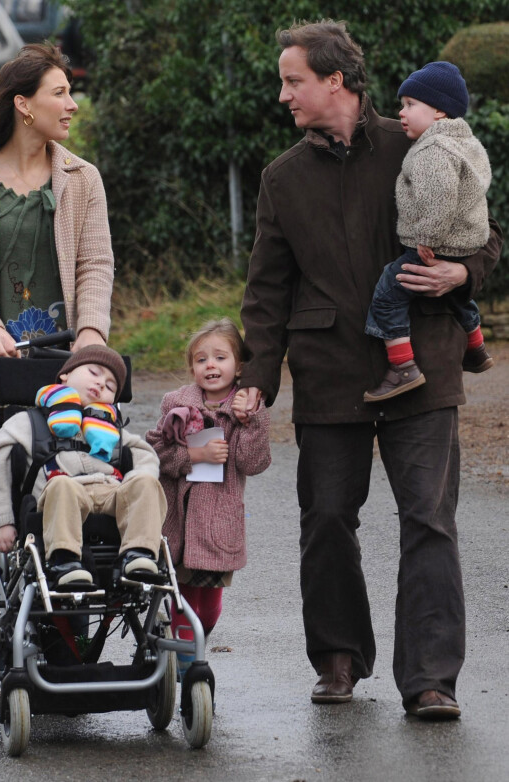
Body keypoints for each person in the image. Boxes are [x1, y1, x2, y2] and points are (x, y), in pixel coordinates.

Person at [238, 20, 502, 720]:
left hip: (425, 366)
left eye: (293, 80)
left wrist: (460, 272)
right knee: (326, 518)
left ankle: (431, 680)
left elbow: (483, 234)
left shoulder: (420, 142)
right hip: (328, 373)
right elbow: (266, 292)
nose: (284, 93)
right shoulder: (281, 179)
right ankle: (338, 659)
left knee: (429, 521)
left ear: (336, 80)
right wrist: (255, 382)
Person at [0, 43, 115, 507]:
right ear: (23, 105)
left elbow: (96, 263)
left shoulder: (83, 177)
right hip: (0, 355)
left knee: (77, 469)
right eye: (59, 93)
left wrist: (92, 332)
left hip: (68, 352)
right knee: (9, 485)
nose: (72, 104)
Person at [0, 345, 167, 586]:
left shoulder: (110, 429)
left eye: (110, 386)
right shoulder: (29, 423)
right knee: (62, 485)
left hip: (110, 493)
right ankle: (65, 560)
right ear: (65, 375)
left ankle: (139, 553)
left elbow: (146, 456)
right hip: (60, 494)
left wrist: (136, 479)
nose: (101, 384)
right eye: (93, 372)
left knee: (146, 482)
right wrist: (3, 521)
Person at [146, 318, 271, 677]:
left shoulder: (243, 411)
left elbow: (253, 461)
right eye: (201, 360)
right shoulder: (176, 405)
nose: (211, 365)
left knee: (210, 607)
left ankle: (191, 647)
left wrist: (253, 421)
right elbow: (154, 453)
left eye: (220, 357)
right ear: (192, 368)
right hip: (179, 524)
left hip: (217, 525)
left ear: (239, 366)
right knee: (181, 598)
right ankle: (187, 670)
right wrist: (193, 457)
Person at [364, 61, 493, 402]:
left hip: (437, 243)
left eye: (410, 104)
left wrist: (426, 240)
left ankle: (402, 367)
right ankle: (476, 348)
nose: (401, 112)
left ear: (438, 110)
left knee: (389, 291)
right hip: (466, 242)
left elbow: (439, 200)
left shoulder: (430, 151)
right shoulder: (466, 143)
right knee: (453, 291)